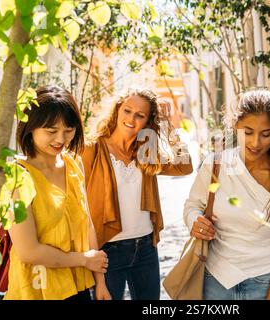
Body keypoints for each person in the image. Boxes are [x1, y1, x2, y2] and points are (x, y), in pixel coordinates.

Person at [184, 89, 270, 300]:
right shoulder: (215, 165)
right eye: (248, 132)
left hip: (265, 282)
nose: (256, 143)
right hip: (215, 281)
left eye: (266, 134)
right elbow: (192, 205)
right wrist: (195, 220)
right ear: (236, 126)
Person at [82, 88, 193, 300]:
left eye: (140, 115)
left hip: (144, 249)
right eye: (127, 110)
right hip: (107, 250)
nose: (131, 118)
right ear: (117, 111)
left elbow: (185, 167)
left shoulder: (146, 153)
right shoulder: (92, 149)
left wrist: (168, 128)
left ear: (147, 122)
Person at [5, 85, 111, 300]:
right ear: (30, 127)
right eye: (51, 131)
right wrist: (84, 259)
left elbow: (87, 224)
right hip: (37, 290)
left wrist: (100, 282)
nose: (61, 140)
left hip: (79, 285)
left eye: (68, 130)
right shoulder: (17, 176)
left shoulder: (74, 163)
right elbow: (29, 251)